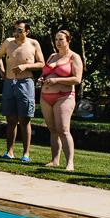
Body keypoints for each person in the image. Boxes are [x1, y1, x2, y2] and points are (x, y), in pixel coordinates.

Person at [0, 19, 45, 162]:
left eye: (20, 30)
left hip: (26, 83)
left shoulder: (33, 44)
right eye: (15, 30)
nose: (16, 33)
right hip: (9, 83)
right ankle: (9, 152)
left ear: (27, 31)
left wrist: (25, 66)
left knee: (24, 119)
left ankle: (26, 154)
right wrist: (2, 72)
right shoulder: (8, 42)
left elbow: (42, 64)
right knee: (10, 119)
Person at [38, 30, 84, 171]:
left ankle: (70, 163)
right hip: (46, 97)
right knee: (53, 130)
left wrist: (57, 80)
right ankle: (55, 160)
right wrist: (42, 78)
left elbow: (77, 79)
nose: (58, 42)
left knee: (63, 129)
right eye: (56, 39)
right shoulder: (52, 56)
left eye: (61, 39)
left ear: (68, 40)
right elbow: (45, 72)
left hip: (64, 96)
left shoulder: (74, 57)